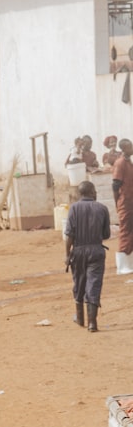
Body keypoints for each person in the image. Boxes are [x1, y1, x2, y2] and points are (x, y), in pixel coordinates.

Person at [65, 180, 111, 332]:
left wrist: (67, 255)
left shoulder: (74, 208)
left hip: (78, 251)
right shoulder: (102, 208)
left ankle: (80, 318)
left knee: (79, 282)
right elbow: (106, 234)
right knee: (94, 284)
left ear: (80, 193)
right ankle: (92, 323)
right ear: (92, 192)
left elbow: (69, 235)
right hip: (97, 251)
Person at [113, 138, 133, 274]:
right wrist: (117, 203)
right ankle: (122, 266)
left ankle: (128, 263)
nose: (132, 148)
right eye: (130, 146)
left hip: (130, 202)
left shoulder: (129, 162)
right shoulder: (120, 163)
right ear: (124, 148)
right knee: (125, 230)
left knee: (131, 231)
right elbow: (115, 185)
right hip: (125, 202)